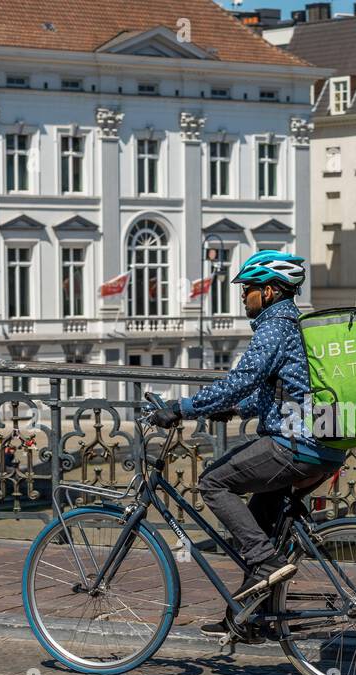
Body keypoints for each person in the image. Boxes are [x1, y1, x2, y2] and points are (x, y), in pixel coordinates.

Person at [146, 250, 345, 637]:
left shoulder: (275, 325)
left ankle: (266, 564)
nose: (242, 295)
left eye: (248, 288)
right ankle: (248, 620)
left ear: (269, 291)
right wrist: (234, 410)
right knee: (259, 527)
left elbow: (244, 378)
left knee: (213, 483)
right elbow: (280, 392)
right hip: (321, 444)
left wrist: (182, 407)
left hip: (294, 444)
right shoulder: (293, 326)